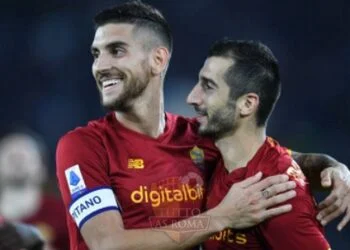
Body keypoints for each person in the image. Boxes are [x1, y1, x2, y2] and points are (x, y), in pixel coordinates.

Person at [56, 1, 350, 250]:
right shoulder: (84, 145)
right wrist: (221, 217)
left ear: (158, 60)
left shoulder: (201, 137)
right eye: (96, 53)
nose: (101, 65)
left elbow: (278, 161)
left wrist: (335, 169)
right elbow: (107, 243)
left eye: (116, 51)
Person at [187, 39, 332, 249]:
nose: (191, 97)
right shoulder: (211, 154)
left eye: (208, 87)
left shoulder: (279, 194)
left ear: (247, 104)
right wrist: (336, 168)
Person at [0, 131, 69, 250]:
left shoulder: (64, 214)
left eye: (25, 155)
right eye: (11, 155)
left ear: (43, 170)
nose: (18, 160)